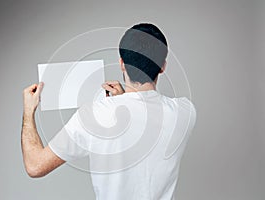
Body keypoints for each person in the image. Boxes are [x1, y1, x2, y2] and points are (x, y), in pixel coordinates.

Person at [21, 23, 196, 200]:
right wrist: (122, 99)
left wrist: (29, 111)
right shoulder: (185, 112)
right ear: (163, 66)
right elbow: (142, 115)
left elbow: (35, 166)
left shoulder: (93, 115)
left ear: (121, 63)